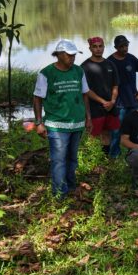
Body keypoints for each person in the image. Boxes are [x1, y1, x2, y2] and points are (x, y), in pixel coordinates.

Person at [33, 39, 92, 197]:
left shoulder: (79, 71)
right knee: (58, 161)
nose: (72, 58)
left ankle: (71, 187)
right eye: (69, 55)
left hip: (77, 123)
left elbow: (85, 95)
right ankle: (59, 194)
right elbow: (37, 98)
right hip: (57, 125)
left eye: (74, 55)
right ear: (58, 55)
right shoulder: (46, 73)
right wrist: (38, 122)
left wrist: (88, 118)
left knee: (72, 159)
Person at [81, 37, 120, 157]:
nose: (98, 49)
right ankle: (93, 161)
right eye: (95, 46)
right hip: (94, 109)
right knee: (93, 136)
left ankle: (105, 159)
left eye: (100, 46)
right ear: (90, 48)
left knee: (107, 133)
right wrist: (104, 101)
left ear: (104, 47)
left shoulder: (110, 64)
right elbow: (86, 90)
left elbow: (115, 86)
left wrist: (112, 101)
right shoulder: (85, 66)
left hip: (110, 107)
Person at [107, 34, 138, 158]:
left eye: (126, 45)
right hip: (118, 104)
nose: (124, 48)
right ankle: (114, 155)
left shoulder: (132, 59)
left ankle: (134, 153)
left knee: (135, 129)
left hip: (133, 102)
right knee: (116, 131)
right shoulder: (109, 61)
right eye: (121, 46)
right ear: (115, 47)